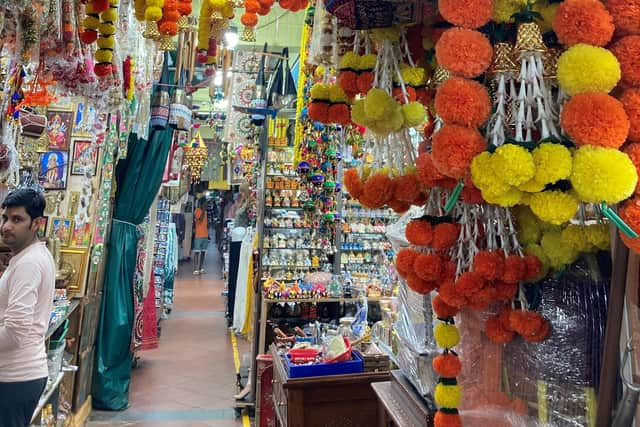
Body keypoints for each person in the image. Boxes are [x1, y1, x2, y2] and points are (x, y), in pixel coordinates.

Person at [0, 188, 55, 427]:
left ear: (36, 224)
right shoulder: (31, 256)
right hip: (19, 375)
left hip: (14, 377)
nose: (6, 226)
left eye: (17, 219)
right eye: (5, 218)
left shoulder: (29, 263)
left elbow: (15, 332)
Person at [192, 198, 209, 275]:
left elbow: (206, 223)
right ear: (201, 204)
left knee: (203, 252)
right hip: (198, 235)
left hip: (205, 234)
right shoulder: (197, 211)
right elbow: (201, 219)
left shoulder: (205, 212)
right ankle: (195, 268)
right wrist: (203, 211)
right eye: (205, 203)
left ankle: (200, 267)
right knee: (197, 252)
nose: (206, 205)